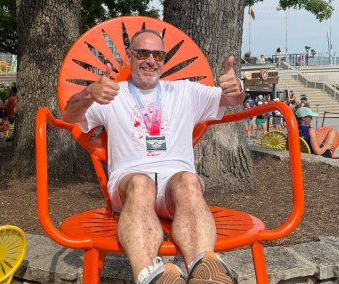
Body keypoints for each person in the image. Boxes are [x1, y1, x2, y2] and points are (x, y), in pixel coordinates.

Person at [62, 29, 244, 284]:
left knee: (189, 182)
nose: (150, 60)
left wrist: (236, 89)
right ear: (128, 56)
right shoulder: (112, 93)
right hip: (130, 184)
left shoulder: (184, 91)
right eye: (143, 53)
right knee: (141, 184)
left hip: (175, 187)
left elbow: (231, 98)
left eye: (157, 54)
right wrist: (88, 93)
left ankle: (205, 271)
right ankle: (148, 276)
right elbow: (68, 117)